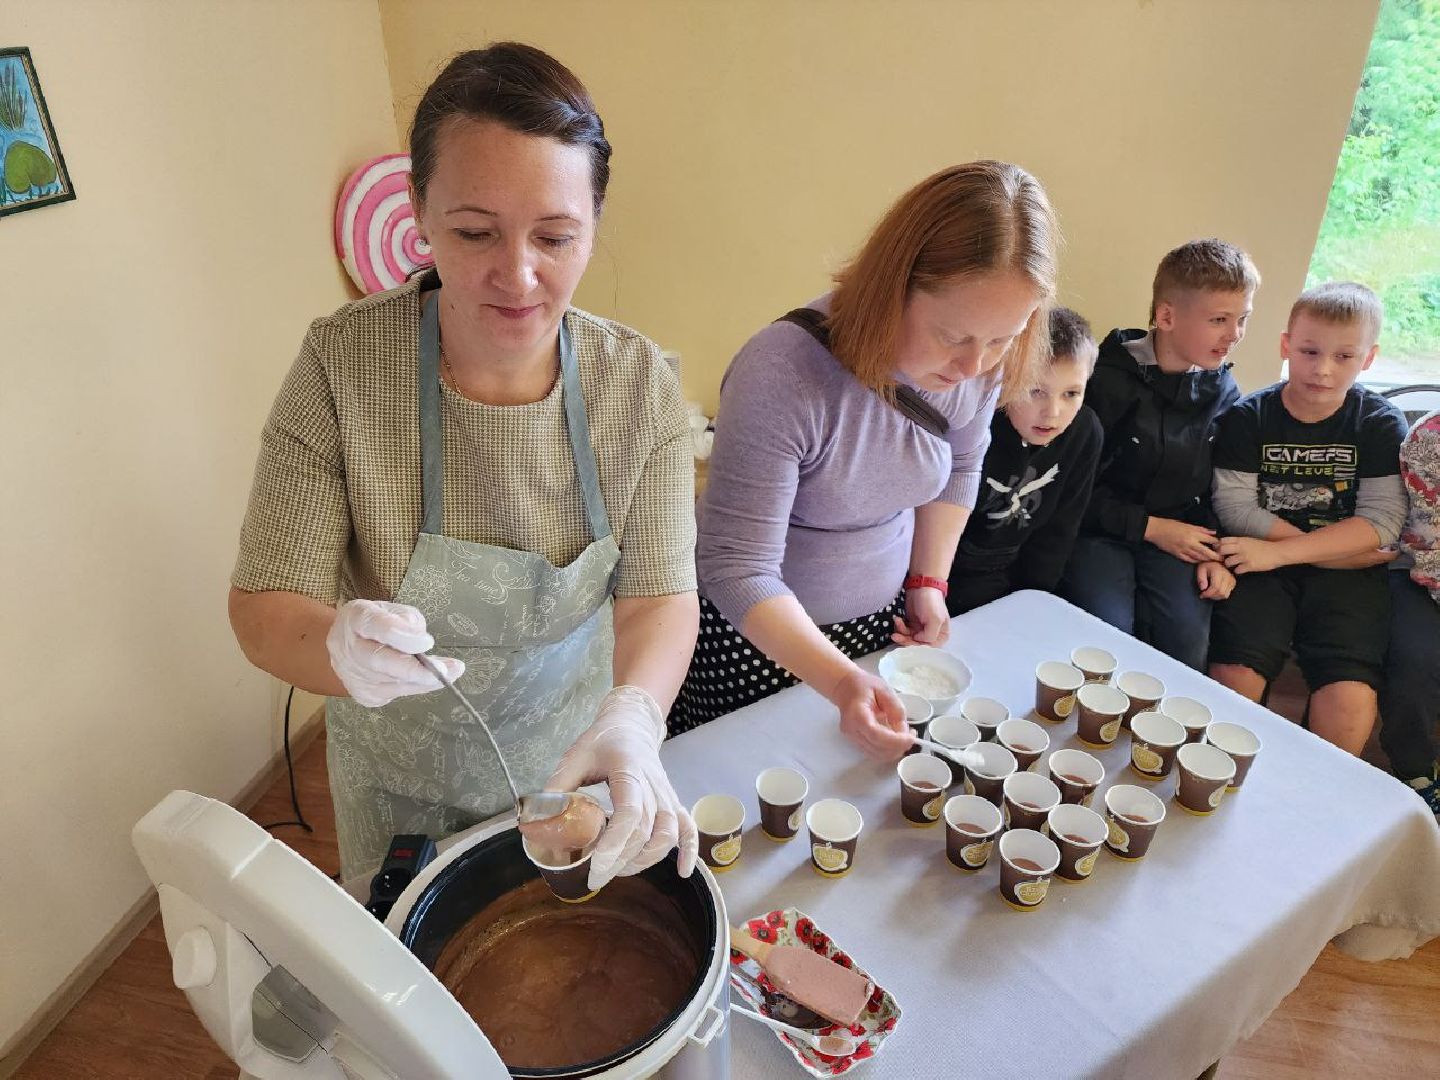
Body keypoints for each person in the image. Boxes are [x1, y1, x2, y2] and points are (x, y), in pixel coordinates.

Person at [228, 43, 699, 886]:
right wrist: (338, 650)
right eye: (475, 232)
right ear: (418, 210)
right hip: (398, 782)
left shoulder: (641, 390)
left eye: (555, 236)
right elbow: (263, 607)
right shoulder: (343, 368)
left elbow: (660, 596)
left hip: (572, 765)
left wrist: (633, 716)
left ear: (595, 221)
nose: (516, 277)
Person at [671, 161, 1058, 755]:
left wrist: (928, 580)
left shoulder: (981, 360)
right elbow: (738, 568)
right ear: (892, 289)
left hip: (878, 622)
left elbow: (959, 463)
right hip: (755, 637)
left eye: (1003, 338)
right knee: (750, 792)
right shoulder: (782, 374)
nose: (974, 367)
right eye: (953, 337)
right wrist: (840, 679)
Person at [1208, 282, 1409, 756]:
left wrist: (1283, 554)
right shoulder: (1248, 418)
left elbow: (1381, 522)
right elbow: (1235, 508)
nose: (1322, 369)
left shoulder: (1380, 424)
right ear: (1285, 346)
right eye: (1309, 351)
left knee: (1349, 694)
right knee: (1235, 674)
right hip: (1270, 565)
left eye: (1344, 357)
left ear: (1369, 358)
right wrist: (1336, 554)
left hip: (1304, 566)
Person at [1061, 239, 1257, 670]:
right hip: (1101, 533)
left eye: (1242, 319)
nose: (1234, 334)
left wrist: (1220, 557)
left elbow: (1219, 487)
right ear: (1166, 316)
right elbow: (1072, 490)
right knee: (1108, 634)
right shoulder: (1104, 384)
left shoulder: (1223, 391)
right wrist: (1149, 527)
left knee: (1187, 642)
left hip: (1180, 538)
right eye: (1219, 320)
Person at [945, 306, 1102, 614]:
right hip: (947, 570)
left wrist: (1028, 606)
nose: (1053, 413)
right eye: (1035, 391)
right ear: (1007, 380)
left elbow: (1058, 533)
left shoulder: (1085, 433)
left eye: (1071, 394)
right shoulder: (975, 420)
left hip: (1010, 576)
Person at [1380, 408, 1440, 816]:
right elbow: (1427, 539)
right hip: (1422, 573)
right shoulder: (1429, 438)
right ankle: (1414, 768)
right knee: (1414, 660)